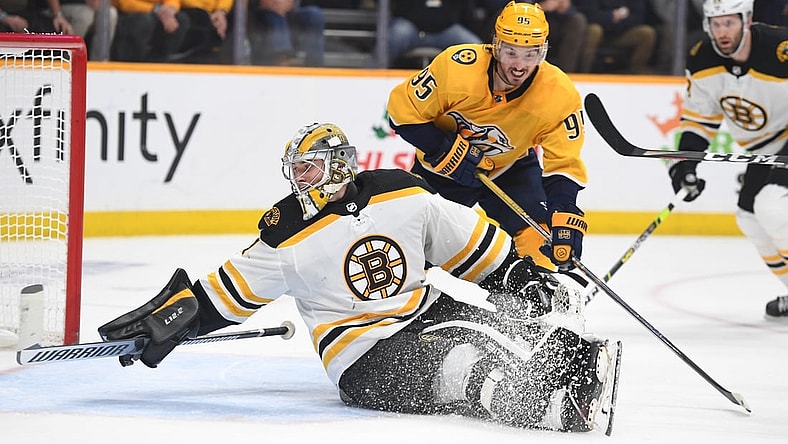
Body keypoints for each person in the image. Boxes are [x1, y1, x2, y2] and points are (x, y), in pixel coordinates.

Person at [96, 122, 621, 433]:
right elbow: (223, 294)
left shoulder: (400, 192)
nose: (298, 180)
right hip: (363, 358)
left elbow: (464, 241)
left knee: (510, 327)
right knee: (463, 362)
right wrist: (172, 320)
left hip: (423, 314)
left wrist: (518, 275)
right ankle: (554, 404)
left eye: (307, 168)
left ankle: (576, 367)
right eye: (295, 171)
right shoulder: (286, 233)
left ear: (337, 166)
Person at [387, 1, 589, 273]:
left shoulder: (559, 93)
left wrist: (564, 210)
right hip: (441, 172)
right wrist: (442, 148)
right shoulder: (457, 68)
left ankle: (536, 295)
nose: (519, 66)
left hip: (510, 168)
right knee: (412, 249)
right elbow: (401, 114)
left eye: (530, 54)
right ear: (495, 45)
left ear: (543, 51)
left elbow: (564, 164)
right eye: (511, 52)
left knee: (541, 237)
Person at [666, 0, 788, 319]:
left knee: (772, 205)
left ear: (746, 20)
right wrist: (685, 166)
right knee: (749, 216)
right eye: (716, 24)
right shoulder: (702, 60)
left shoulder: (780, 48)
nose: (722, 32)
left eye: (729, 23)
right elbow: (699, 121)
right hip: (765, 149)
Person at [387, 0, 482, 69]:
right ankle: (379, 75)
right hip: (412, 28)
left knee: (476, 47)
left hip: (446, 30)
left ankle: (480, 84)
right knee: (392, 38)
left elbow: (465, 10)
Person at [576, 0, 657, 74]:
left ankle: (635, 73)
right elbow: (590, 15)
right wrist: (612, 16)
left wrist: (616, 22)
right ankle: (584, 72)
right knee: (594, 30)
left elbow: (638, 18)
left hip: (622, 32)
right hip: (599, 31)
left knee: (647, 33)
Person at [249, 0, 325, 66]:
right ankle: (283, 58)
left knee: (314, 14)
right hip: (262, 13)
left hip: (288, 11)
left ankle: (314, 63)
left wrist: (290, 3)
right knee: (274, 15)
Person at [110, 0, 190, 62]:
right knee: (143, 22)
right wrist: (157, 10)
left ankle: (158, 60)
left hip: (158, 12)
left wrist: (170, 9)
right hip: (126, 12)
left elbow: (172, 1)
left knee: (180, 20)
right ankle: (128, 62)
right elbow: (125, 3)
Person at [43, 0, 118, 61]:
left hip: (87, 7)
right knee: (86, 15)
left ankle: (99, 63)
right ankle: (68, 59)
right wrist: (57, 15)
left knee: (111, 14)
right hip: (59, 7)